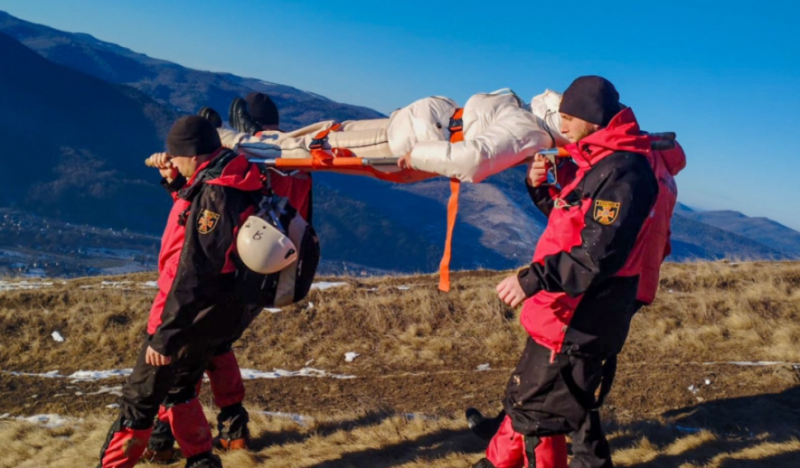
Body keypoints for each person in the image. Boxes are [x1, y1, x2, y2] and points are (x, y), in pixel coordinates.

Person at [476, 76, 667, 468]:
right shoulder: (600, 161)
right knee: (555, 408)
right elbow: (573, 225)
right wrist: (540, 189)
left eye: (567, 117)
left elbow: (596, 256)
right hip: (567, 314)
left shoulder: (624, 173)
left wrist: (531, 279)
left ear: (592, 119)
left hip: (577, 321)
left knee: (537, 416)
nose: (560, 126)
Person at [144, 93, 314, 463]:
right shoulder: (297, 164)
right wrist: (177, 181)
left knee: (181, 357)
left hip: (230, 277)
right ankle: (233, 432)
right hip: (259, 280)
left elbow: (213, 220)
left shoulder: (261, 166)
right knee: (215, 348)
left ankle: (164, 440)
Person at [97, 116, 264, 468]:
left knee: (140, 401)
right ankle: (202, 461)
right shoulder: (226, 178)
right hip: (213, 315)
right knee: (180, 390)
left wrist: (165, 335)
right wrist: (174, 183)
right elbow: (197, 221)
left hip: (185, 316)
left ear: (193, 153)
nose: (172, 161)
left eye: (176, 156)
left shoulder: (216, 194)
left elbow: (196, 272)